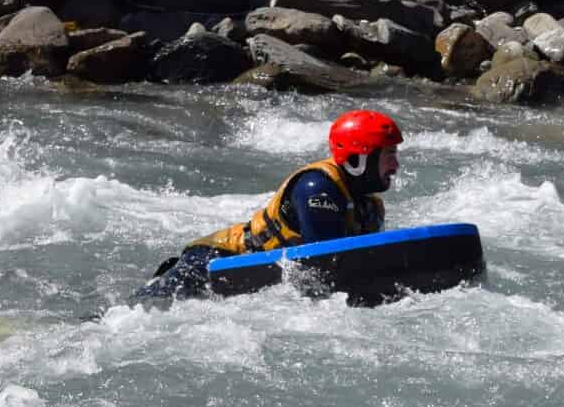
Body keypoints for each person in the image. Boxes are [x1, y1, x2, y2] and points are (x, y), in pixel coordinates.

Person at [137, 109, 402, 299]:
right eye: (389, 154)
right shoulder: (318, 188)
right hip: (212, 262)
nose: (396, 166)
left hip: (242, 271)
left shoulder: (371, 207)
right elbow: (326, 269)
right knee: (138, 311)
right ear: (359, 158)